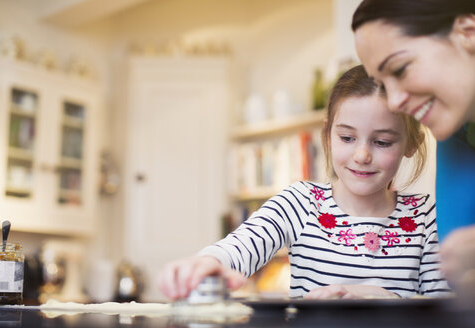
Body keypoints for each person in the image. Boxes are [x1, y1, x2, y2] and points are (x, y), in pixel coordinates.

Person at [157, 65, 451, 300]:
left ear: (411, 143)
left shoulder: (426, 216)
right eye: (347, 138)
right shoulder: (301, 202)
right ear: (327, 135)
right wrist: (207, 264)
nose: (361, 155)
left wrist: (384, 299)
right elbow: (237, 249)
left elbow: (446, 310)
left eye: (382, 141)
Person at [351, 0, 475, 290]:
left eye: (400, 68)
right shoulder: (458, 132)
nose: (394, 102)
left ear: (467, 33)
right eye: (382, 84)